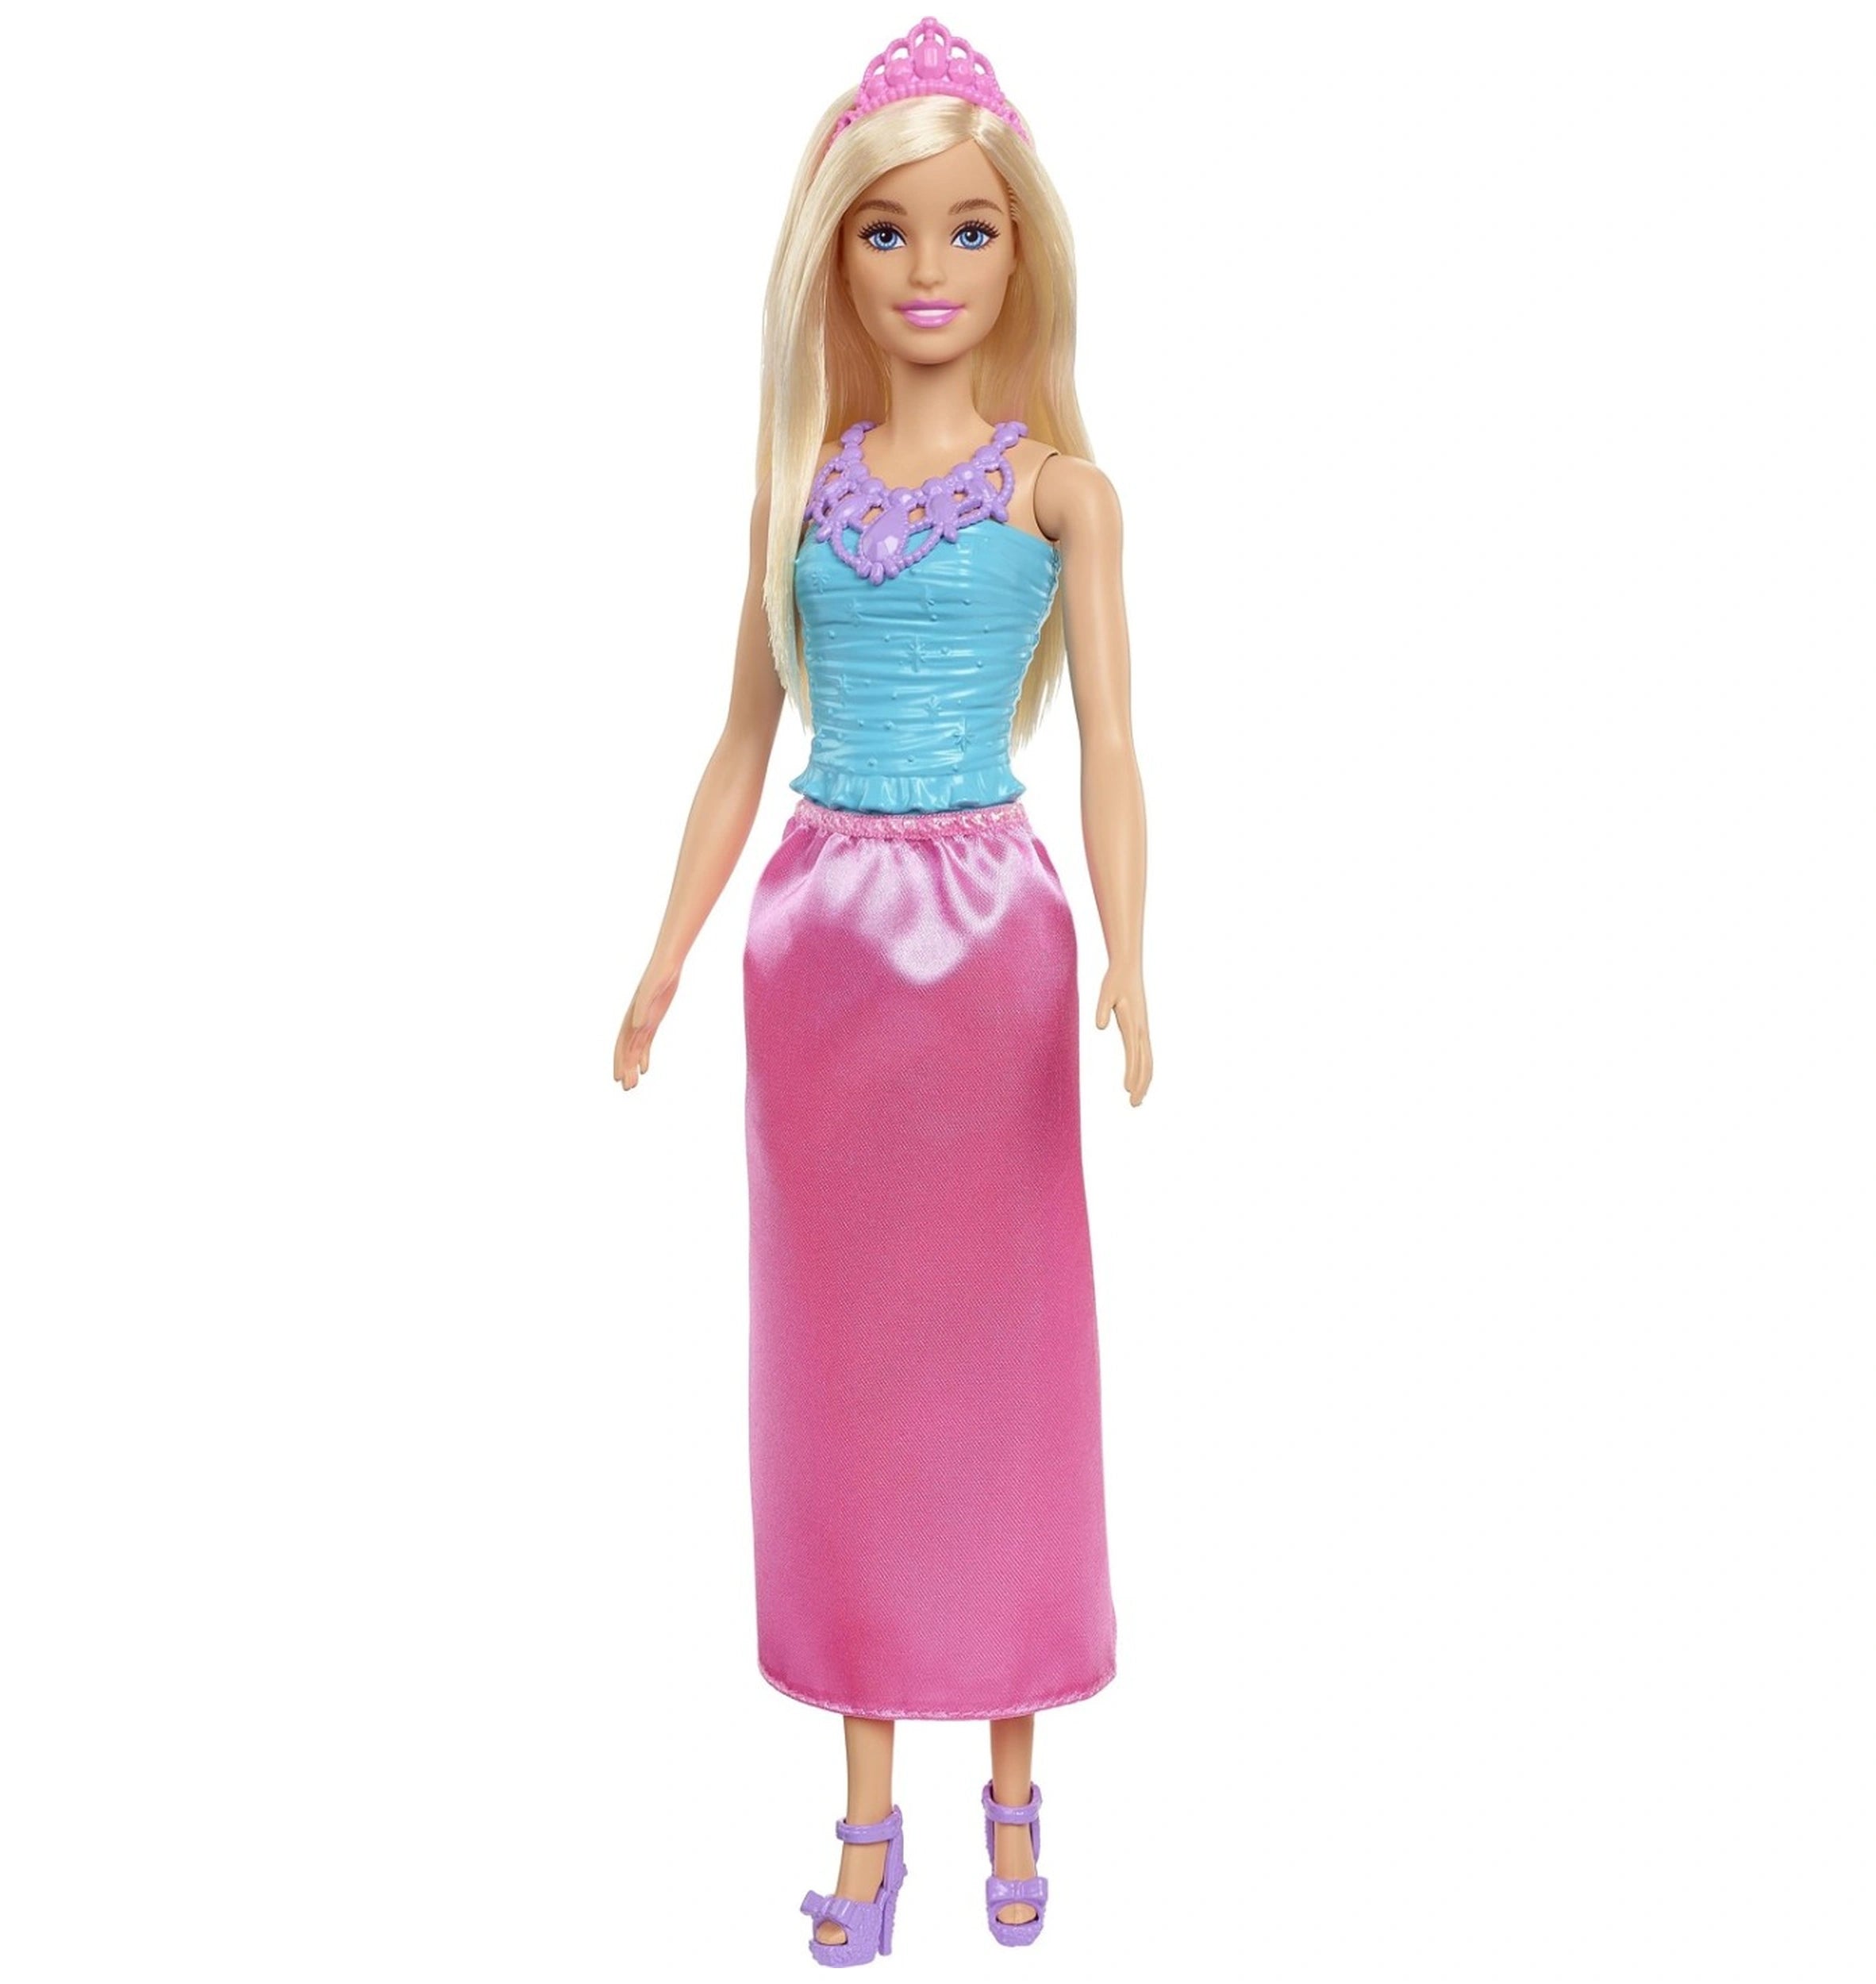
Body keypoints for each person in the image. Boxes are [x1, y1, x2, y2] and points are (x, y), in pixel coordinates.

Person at [613, 15, 1152, 1963]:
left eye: (968, 231)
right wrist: (666, 953)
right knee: (839, 1376)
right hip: (818, 949)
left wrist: (1132, 955)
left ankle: (1012, 1770)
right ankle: (864, 1803)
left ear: (1023, 252)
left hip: (989, 947)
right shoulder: (798, 492)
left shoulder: (1062, 495)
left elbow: (1112, 747)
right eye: (886, 232)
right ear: (830, 252)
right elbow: (736, 741)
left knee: (1003, 1362)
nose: (929, 269)